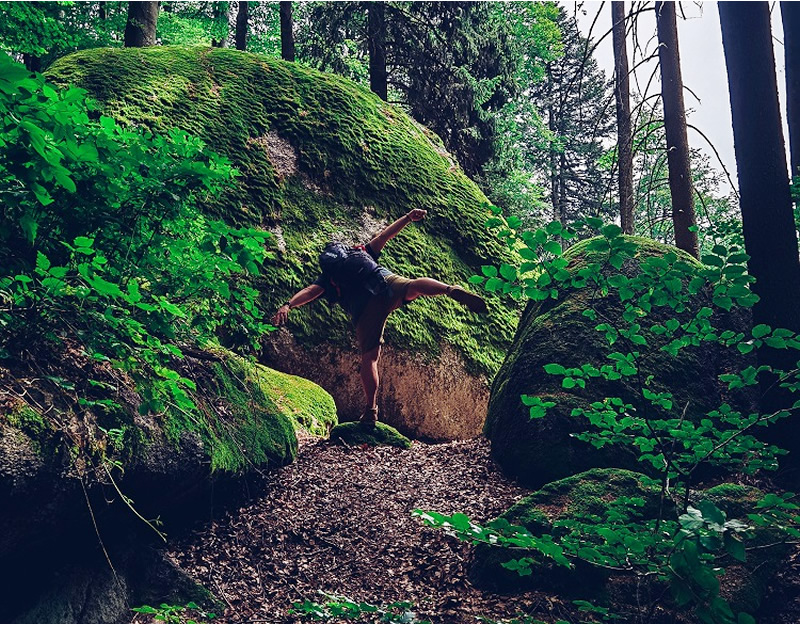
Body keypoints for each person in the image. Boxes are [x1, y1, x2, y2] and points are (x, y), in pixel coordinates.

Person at [271, 209, 487, 425]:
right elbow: (385, 235)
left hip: (365, 311)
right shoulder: (362, 251)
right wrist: (408, 217)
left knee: (370, 358)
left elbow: (309, 291)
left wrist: (288, 305)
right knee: (414, 286)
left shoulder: (328, 278)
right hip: (384, 284)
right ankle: (449, 289)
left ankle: (371, 409)